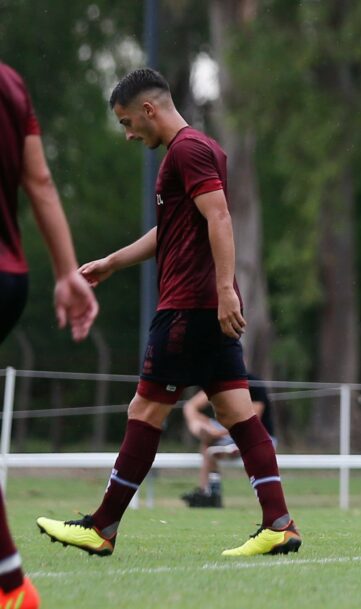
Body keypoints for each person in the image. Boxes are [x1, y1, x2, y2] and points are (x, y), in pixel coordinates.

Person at [35, 68, 300, 558]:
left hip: (188, 307)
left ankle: (103, 526)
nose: (129, 134)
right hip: (203, 306)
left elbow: (219, 216)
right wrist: (114, 262)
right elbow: (177, 229)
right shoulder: (197, 151)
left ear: (149, 109)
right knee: (238, 414)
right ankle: (279, 523)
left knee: (145, 411)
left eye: (127, 122)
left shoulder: (187, 150)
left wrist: (225, 291)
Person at [0, 60, 100, 609]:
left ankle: (12, 585)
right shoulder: (13, 82)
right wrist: (67, 272)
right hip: (11, 277)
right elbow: (39, 181)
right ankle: (11, 581)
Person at [180, 375, 276, 508]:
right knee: (206, 440)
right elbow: (190, 406)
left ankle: (210, 492)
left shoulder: (253, 384)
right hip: (224, 432)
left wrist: (221, 433)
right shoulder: (217, 381)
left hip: (258, 435)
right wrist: (203, 428)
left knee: (212, 447)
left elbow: (253, 422)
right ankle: (208, 492)